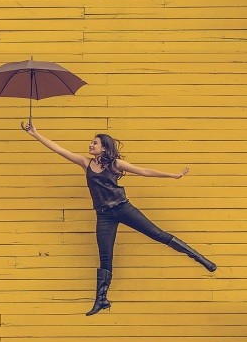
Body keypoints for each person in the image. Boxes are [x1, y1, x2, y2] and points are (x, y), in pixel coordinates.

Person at [23, 122, 217, 316]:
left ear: (104, 148)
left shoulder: (115, 164)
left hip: (123, 208)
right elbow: (59, 149)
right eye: (91, 143)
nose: (90, 145)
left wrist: (173, 175)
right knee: (105, 257)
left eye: (94, 143)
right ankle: (101, 300)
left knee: (158, 234)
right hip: (104, 215)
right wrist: (35, 134)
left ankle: (200, 258)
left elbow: (143, 171)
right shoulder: (86, 163)